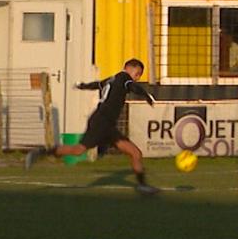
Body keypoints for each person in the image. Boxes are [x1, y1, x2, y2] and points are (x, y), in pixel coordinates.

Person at [24, 59, 160, 195]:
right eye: (138, 73)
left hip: (107, 124)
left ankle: (142, 186)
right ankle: (40, 152)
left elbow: (97, 84)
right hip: (101, 122)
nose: (138, 77)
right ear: (129, 68)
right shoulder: (124, 78)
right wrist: (146, 95)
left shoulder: (112, 79)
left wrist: (82, 86)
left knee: (135, 153)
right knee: (78, 150)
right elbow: (132, 86)